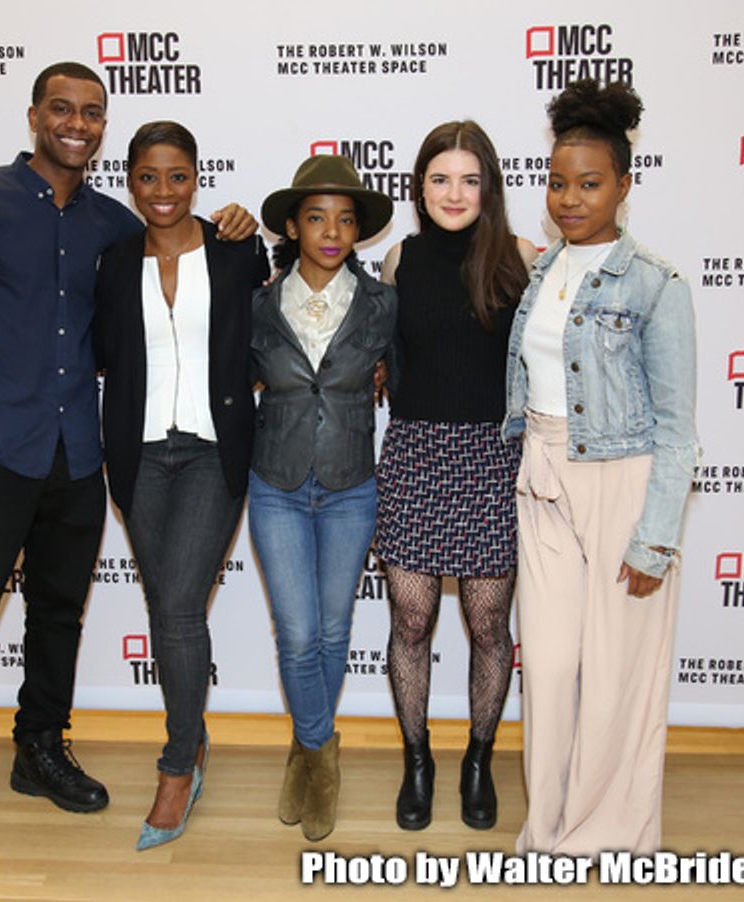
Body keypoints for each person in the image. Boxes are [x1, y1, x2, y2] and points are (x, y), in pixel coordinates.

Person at [0, 67, 255, 868]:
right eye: (62, 109)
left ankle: (39, 750)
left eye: (91, 113)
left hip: (81, 456)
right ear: (34, 116)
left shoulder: (110, 226)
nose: (76, 123)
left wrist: (234, 226)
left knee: (58, 615)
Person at [504, 79, 697, 855]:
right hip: (541, 478)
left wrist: (655, 537)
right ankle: (547, 827)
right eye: (557, 182)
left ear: (623, 183)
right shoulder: (543, 270)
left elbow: (680, 431)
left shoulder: (656, 283)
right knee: (547, 669)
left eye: (589, 183)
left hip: (623, 481)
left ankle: (610, 834)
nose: (570, 198)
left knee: (619, 674)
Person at [94, 121, 269, 851]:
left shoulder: (236, 249)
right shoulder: (110, 261)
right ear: (129, 181)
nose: (162, 192)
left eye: (176, 176)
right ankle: (193, 739)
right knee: (167, 607)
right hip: (136, 459)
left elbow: (273, 336)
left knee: (175, 606)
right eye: (146, 177)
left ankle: (176, 764)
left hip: (211, 453)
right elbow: (104, 353)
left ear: (196, 177)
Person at [377, 121, 537, 831]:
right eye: (440, 178)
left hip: (493, 459)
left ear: (490, 188)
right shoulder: (396, 260)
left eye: (470, 179)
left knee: (486, 624)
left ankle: (478, 758)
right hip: (414, 454)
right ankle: (419, 761)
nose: (454, 192)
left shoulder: (522, 258)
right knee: (411, 619)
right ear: (419, 186)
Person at [249, 155, 396, 842]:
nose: (331, 231)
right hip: (274, 482)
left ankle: (305, 753)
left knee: (335, 633)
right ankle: (322, 757)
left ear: (359, 230)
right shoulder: (256, 303)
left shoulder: (383, 305)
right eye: (316, 217)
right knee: (300, 633)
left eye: (344, 219)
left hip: (350, 486)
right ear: (292, 225)